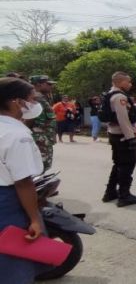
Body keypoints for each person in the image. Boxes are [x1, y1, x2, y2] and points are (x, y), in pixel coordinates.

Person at [0, 77, 46, 284]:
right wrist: (35, 219)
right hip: (7, 202)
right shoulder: (17, 135)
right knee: (13, 263)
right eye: (31, 99)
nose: (35, 104)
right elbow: (23, 183)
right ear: (15, 102)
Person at [102, 71, 136, 207]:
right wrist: (130, 137)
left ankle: (110, 193)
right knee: (127, 165)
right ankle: (124, 196)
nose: (130, 84)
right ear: (120, 82)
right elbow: (123, 119)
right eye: (128, 81)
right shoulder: (120, 96)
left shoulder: (110, 94)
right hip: (122, 136)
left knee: (118, 164)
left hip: (115, 134)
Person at [26, 75, 57, 171]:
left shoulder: (42, 97)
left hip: (44, 138)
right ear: (38, 85)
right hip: (39, 138)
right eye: (47, 84)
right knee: (39, 168)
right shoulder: (35, 98)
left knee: (42, 167)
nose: (50, 86)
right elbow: (29, 118)